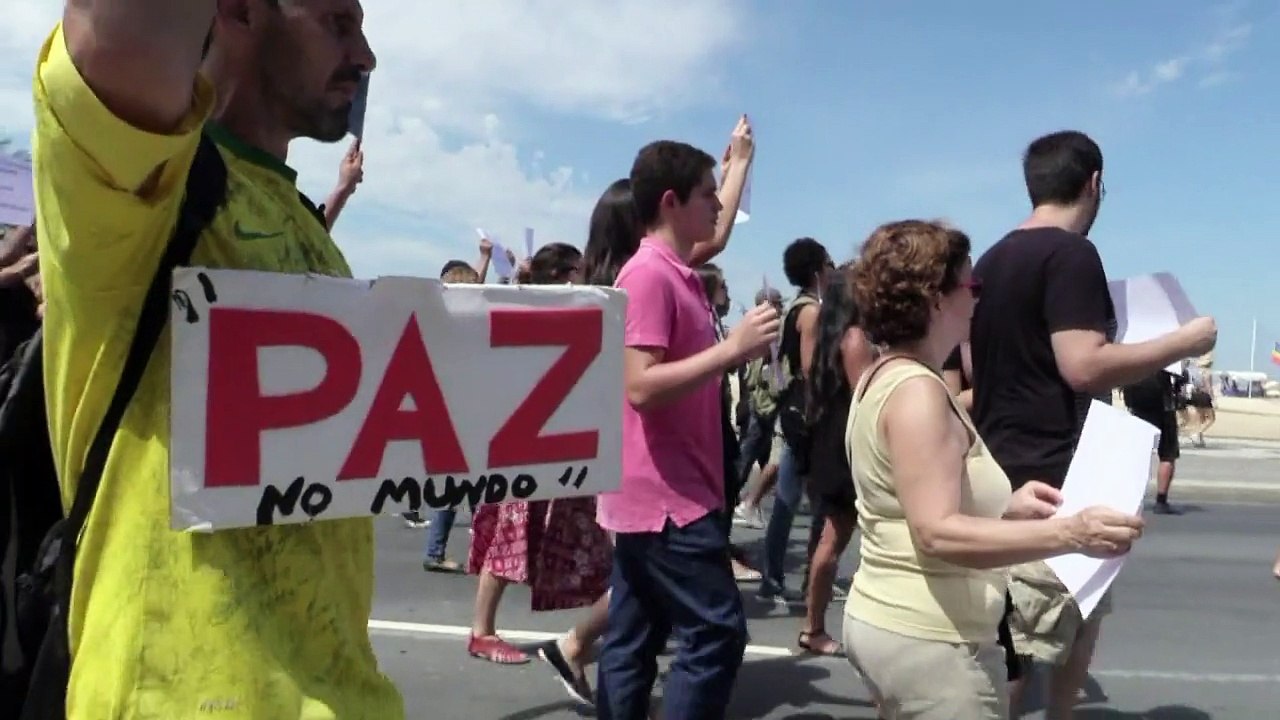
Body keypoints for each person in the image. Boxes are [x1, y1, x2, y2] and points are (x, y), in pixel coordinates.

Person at [30, 2, 402, 716]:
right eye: (335, 21)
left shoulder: (304, 225)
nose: (366, 56)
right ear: (236, 10)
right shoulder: (139, 186)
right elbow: (120, 35)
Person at [844, 219, 1146, 720]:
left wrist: (1008, 505)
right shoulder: (918, 393)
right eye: (972, 285)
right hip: (929, 639)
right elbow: (936, 532)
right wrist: (1071, 533)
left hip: (891, 622)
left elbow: (906, 498)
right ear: (936, 298)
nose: (979, 298)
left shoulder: (885, 374)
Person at [968, 130, 1217, 718]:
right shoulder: (1072, 255)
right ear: (1094, 184)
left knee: (1005, 643)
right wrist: (1183, 341)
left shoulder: (990, 260)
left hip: (996, 475)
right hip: (1057, 480)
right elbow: (1082, 366)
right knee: (1047, 640)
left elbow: (981, 370)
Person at [594, 139, 778, 720]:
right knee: (715, 633)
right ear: (672, 203)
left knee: (634, 638)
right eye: (708, 196)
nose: (717, 208)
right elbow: (641, 387)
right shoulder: (650, 275)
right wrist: (733, 349)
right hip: (668, 501)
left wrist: (737, 166)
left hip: (658, 496)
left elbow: (716, 234)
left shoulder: (673, 268)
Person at [797, 264, 875, 657]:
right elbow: (868, 398)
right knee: (833, 540)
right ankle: (813, 627)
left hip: (828, 444)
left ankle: (813, 625)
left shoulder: (829, 337)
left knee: (831, 539)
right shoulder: (856, 338)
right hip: (846, 450)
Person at [761, 237, 832, 605]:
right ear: (818, 269)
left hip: (792, 413)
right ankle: (807, 579)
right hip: (807, 417)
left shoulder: (793, 309)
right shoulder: (812, 312)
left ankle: (777, 576)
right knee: (810, 502)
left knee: (789, 500)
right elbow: (810, 367)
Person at [1122, 371, 1182, 514]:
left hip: (1137, 400)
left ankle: (1130, 496)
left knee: (1138, 453)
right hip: (1162, 402)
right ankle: (1161, 500)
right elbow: (1177, 374)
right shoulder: (1166, 352)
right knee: (1167, 453)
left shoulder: (1134, 350)